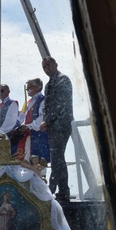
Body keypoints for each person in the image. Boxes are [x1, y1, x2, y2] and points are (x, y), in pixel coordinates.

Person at [40, 56, 74, 203]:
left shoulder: (63, 80)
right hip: (53, 127)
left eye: (49, 65)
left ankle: (51, 190)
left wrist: (47, 121)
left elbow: (60, 104)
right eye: (44, 67)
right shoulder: (48, 85)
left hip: (61, 125)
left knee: (57, 159)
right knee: (58, 159)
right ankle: (64, 191)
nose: (47, 69)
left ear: (56, 64)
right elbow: (48, 106)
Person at [16, 78, 50, 162]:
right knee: (30, 159)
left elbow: (42, 118)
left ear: (37, 87)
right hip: (31, 135)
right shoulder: (29, 102)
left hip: (39, 135)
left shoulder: (43, 100)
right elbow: (25, 117)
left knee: (40, 161)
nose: (27, 89)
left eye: (30, 87)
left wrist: (28, 126)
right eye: (27, 87)